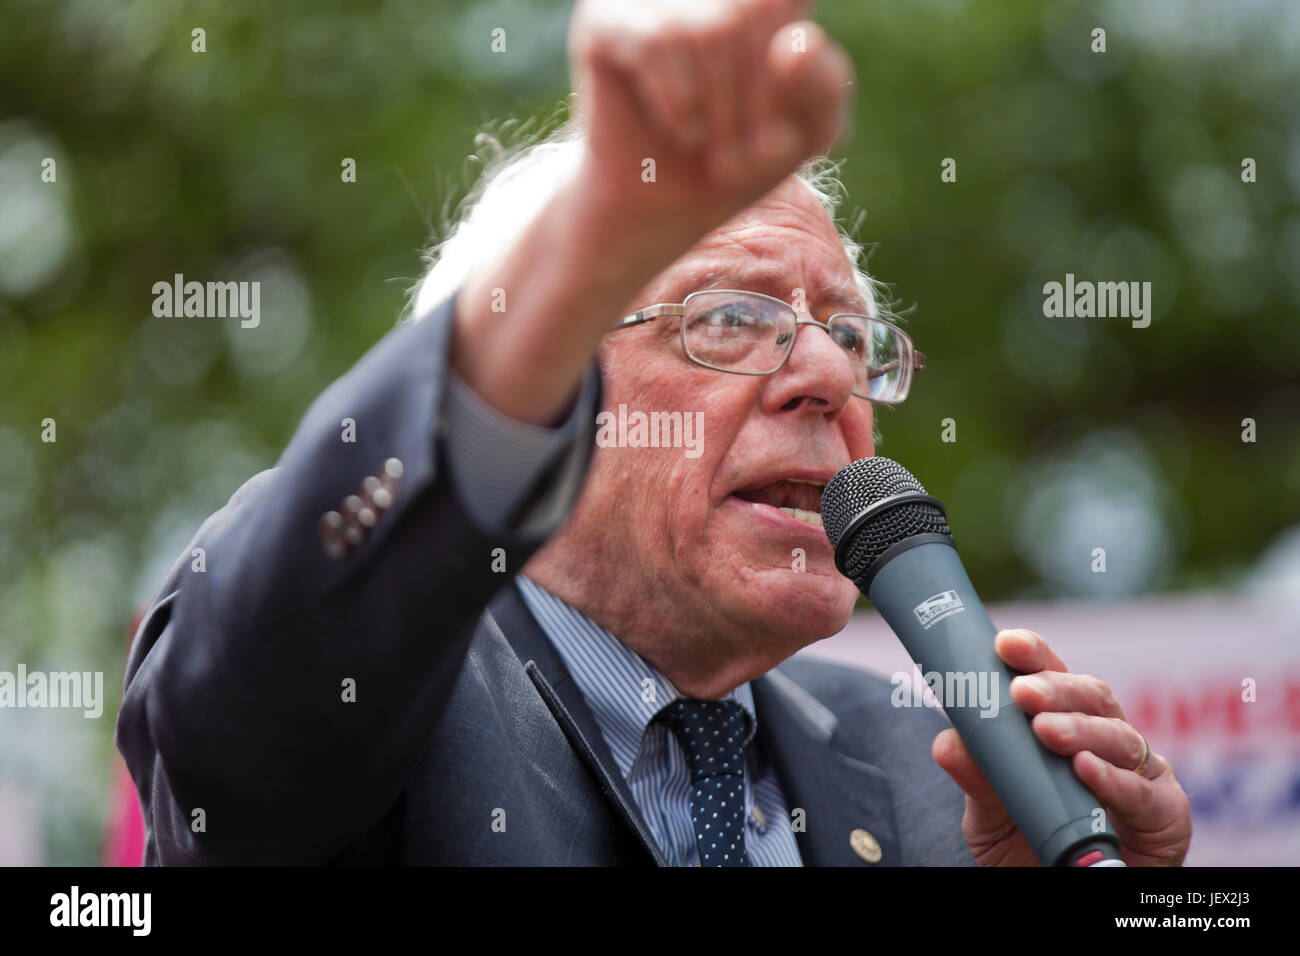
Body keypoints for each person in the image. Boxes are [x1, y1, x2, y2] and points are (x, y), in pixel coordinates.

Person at [115, 0, 1192, 866]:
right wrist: (588, 239)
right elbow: (261, 688)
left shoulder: (937, 781)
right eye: (733, 317)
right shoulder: (381, 687)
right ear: (547, 387)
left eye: (854, 337)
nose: (826, 374)